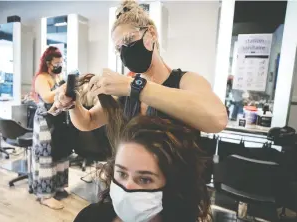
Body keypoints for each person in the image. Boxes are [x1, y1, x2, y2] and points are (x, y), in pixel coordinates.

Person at [51, 0, 227, 134]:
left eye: (129, 40)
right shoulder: (124, 91)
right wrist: (73, 105)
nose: (125, 51)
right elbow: (88, 122)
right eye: (119, 48)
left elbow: (217, 120)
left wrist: (134, 87)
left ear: (151, 33)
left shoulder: (186, 81)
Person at [73, 115, 210, 222]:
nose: (127, 186)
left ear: (172, 185)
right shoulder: (90, 217)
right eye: (122, 173)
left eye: (145, 179)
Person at [30, 46, 71, 210]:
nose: (59, 65)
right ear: (48, 62)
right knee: (46, 156)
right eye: (56, 63)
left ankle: (58, 187)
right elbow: (47, 96)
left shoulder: (56, 76)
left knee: (59, 153)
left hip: (58, 119)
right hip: (45, 120)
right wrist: (63, 88)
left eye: (61, 62)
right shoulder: (42, 77)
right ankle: (45, 195)